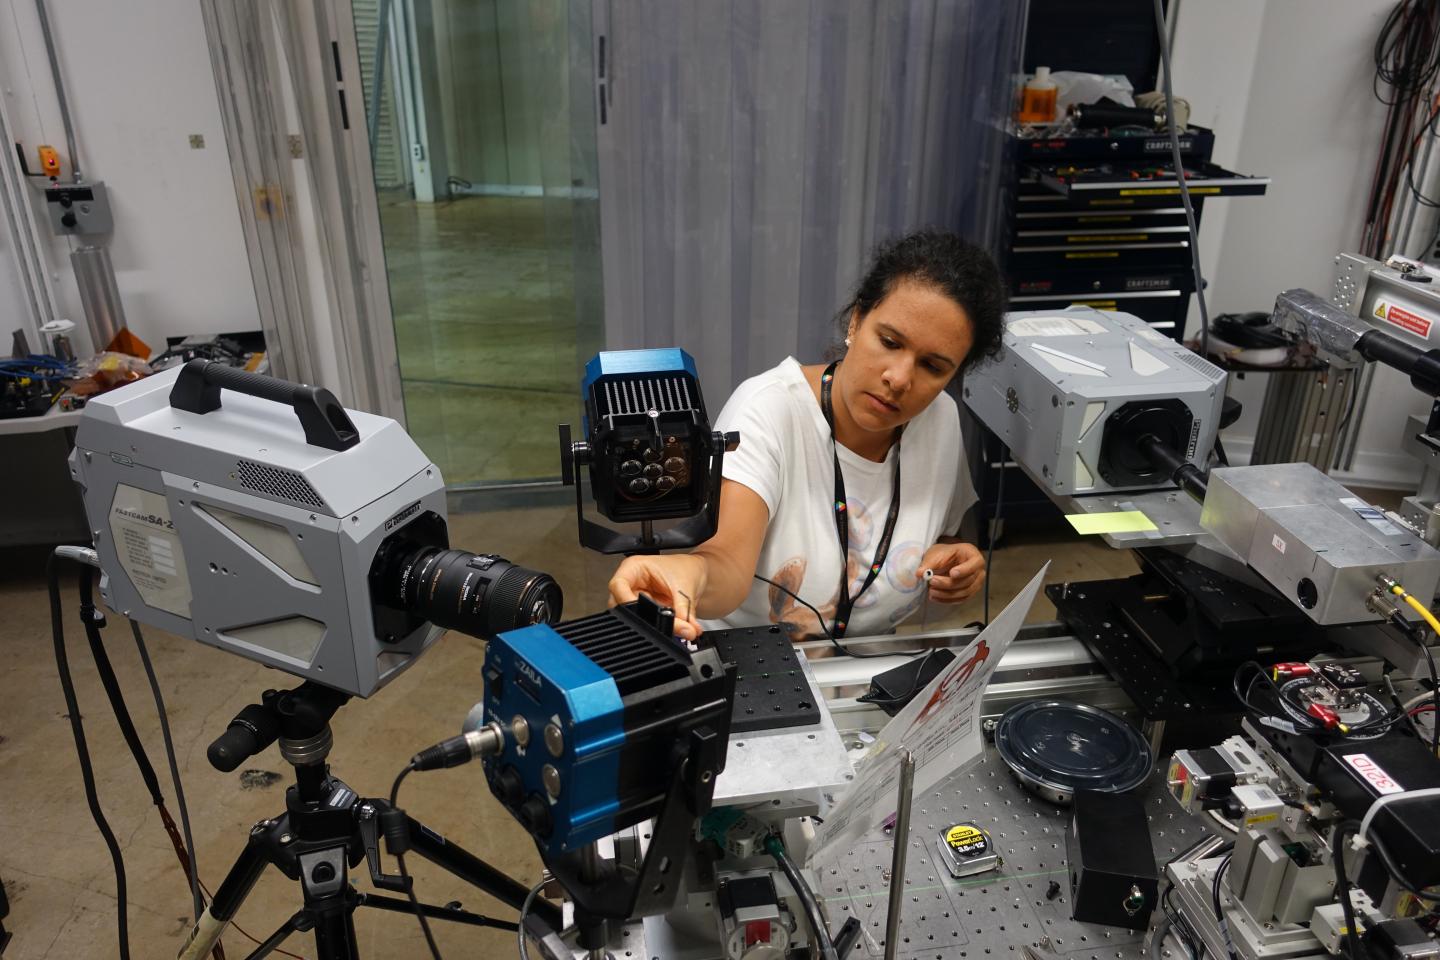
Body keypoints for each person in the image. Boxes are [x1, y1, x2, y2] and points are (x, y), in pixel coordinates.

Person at [608, 230, 1007, 643]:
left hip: (859, 673)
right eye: (889, 342)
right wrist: (686, 573)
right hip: (747, 662)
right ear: (856, 320)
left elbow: (944, 532)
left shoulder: (940, 417)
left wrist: (951, 558)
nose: (899, 378)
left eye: (933, 366)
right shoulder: (767, 408)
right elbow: (725, 561)